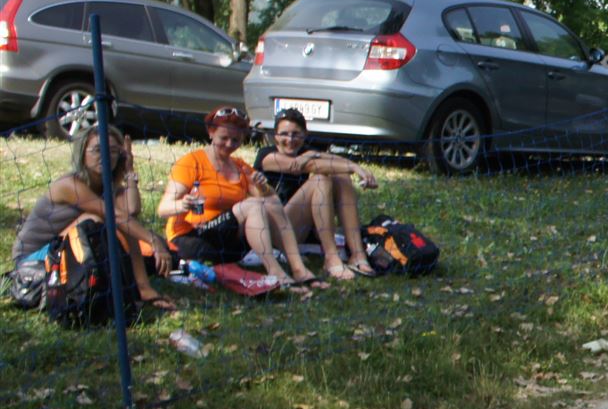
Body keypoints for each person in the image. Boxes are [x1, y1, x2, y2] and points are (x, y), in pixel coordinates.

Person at [11, 125, 173, 311]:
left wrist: (128, 171)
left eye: (113, 151)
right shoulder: (69, 184)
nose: (105, 155)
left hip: (68, 253)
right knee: (95, 219)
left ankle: (143, 289)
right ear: (82, 153)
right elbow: (114, 216)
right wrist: (153, 241)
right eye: (97, 150)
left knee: (122, 221)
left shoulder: (108, 187)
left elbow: (131, 210)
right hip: (33, 261)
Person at [159, 106, 322, 288]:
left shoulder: (239, 166)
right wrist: (182, 204)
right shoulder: (192, 162)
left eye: (235, 140)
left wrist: (262, 187)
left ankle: (298, 268)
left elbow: (273, 203)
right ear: (211, 133)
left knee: (265, 201)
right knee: (252, 205)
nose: (229, 144)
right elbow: (163, 209)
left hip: (228, 245)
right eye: (224, 138)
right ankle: (276, 272)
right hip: (192, 239)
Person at [253, 109, 378, 280]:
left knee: (340, 175)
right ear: (275, 136)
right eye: (284, 134)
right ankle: (331, 257)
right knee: (321, 179)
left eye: (296, 134)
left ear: (305, 135)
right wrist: (352, 167)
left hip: (298, 229)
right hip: (273, 232)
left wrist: (355, 168)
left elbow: (335, 161)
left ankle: (357, 254)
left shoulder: (305, 152)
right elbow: (303, 166)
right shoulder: (266, 156)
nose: (290, 140)